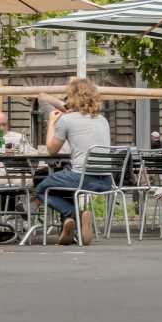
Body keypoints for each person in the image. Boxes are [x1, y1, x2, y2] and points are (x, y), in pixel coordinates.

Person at [31, 78, 113, 246]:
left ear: (72, 97)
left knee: (41, 187)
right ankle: (73, 224)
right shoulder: (102, 120)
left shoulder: (67, 120)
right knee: (61, 186)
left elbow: (51, 150)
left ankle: (71, 215)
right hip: (106, 181)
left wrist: (52, 123)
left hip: (82, 178)